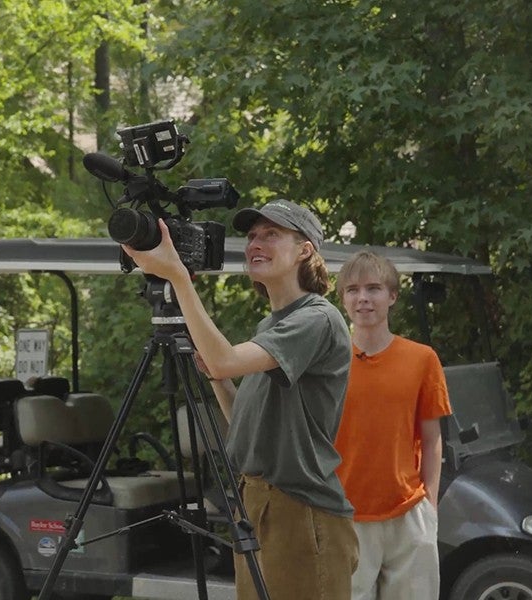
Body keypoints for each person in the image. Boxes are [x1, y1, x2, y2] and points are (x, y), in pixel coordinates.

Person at [121, 199, 358, 600]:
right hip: (254, 501)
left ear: (306, 250)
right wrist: (217, 378)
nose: (255, 244)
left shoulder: (316, 318)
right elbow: (244, 420)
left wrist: (179, 277)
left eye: (271, 234)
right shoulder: (273, 324)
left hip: (299, 508)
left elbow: (227, 358)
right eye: (251, 236)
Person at [333, 250, 452, 600]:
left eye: (374, 288)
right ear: (342, 299)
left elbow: (432, 440)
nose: (363, 298)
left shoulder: (422, 359)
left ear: (392, 296)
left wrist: (429, 509)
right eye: (353, 290)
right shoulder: (328, 362)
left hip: (408, 514)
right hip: (345, 515)